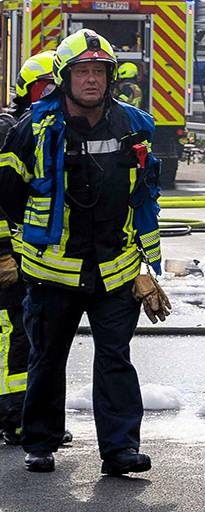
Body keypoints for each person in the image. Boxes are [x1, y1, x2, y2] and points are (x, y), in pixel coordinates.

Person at [0, 31, 170, 474]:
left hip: (116, 270)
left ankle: (120, 450)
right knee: (47, 359)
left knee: (116, 360)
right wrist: (12, 251)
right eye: (82, 72)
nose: (92, 79)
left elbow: (144, 198)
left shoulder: (134, 125)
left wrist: (146, 266)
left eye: (99, 71)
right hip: (52, 273)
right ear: (65, 78)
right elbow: (7, 194)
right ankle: (40, 442)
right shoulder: (33, 129)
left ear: (111, 77)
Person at [0, 51, 56, 446]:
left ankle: (28, 416)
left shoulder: (52, 129)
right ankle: (14, 418)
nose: (50, 93)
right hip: (10, 257)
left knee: (34, 336)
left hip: (37, 258)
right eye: (43, 87)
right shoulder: (10, 130)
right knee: (15, 334)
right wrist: (3, 252)